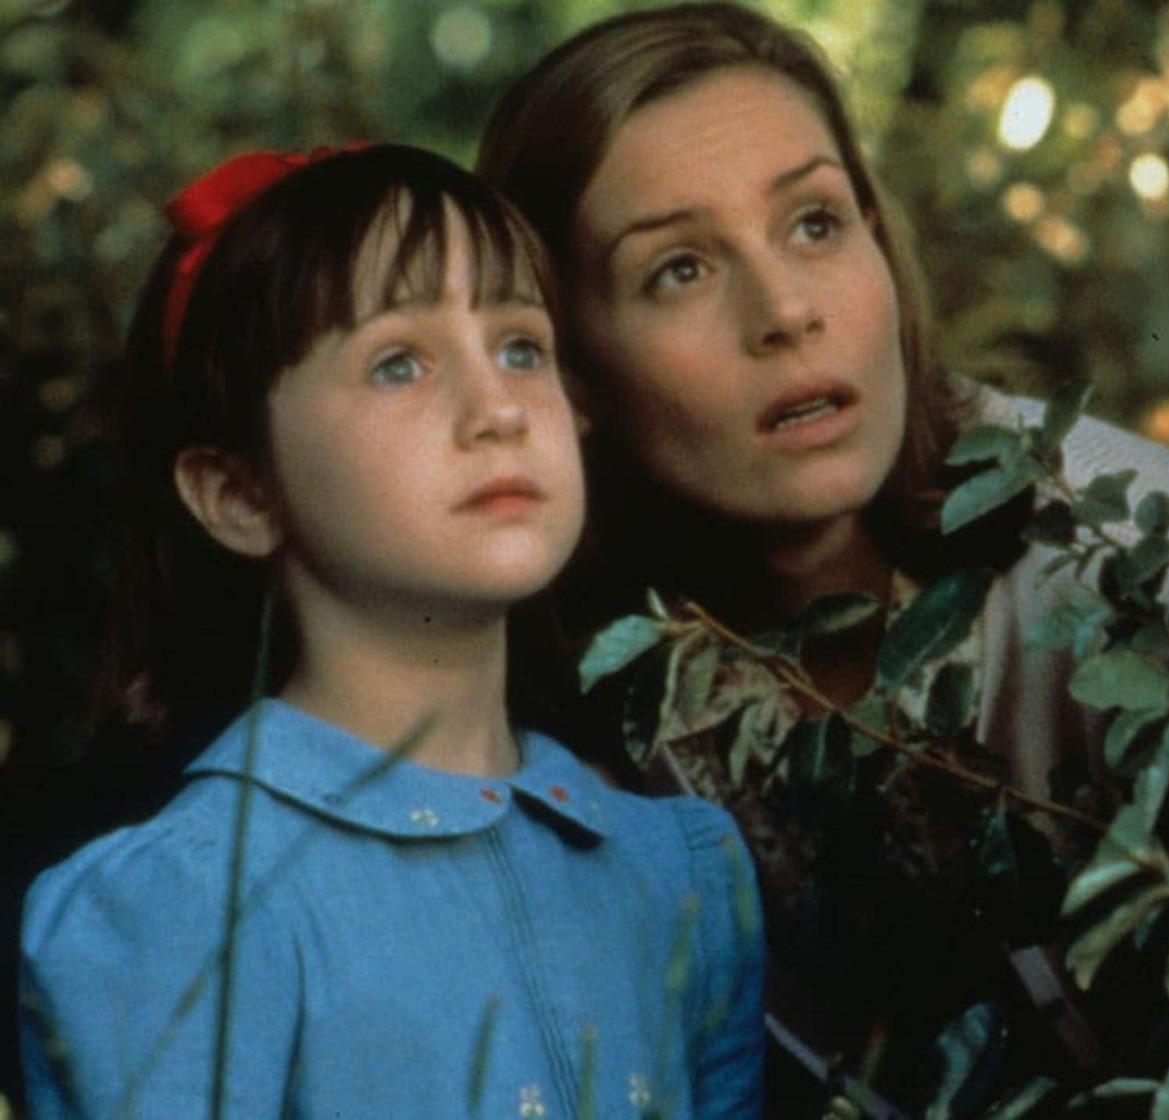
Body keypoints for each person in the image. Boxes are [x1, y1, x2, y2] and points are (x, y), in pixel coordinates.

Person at [479, 4, 1169, 1113]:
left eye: (814, 224)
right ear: (566, 367)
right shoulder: (562, 675)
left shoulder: (1153, 570)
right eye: (679, 268)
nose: (784, 312)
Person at [16, 144, 764, 1118]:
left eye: (520, 347)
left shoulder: (678, 871)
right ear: (239, 493)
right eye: (397, 362)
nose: (496, 408)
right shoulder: (180, 906)